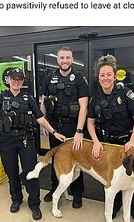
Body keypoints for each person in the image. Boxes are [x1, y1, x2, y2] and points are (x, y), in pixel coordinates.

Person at [0, 67, 65, 220]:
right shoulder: (1, 98)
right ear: (8, 80)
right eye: (13, 79)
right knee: (12, 173)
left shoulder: (28, 98)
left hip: (25, 140)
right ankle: (16, 199)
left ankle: (34, 204)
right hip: (6, 141)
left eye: (19, 79)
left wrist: (54, 132)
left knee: (31, 173)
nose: (16, 81)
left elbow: (40, 119)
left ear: (22, 81)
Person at [87, 54, 134, 222]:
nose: (105, 78)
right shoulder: (96, 98)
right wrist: (96, 142)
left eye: (108, 74)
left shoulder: (126, 93)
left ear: (114, 76)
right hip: (109, 145)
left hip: (128, 143)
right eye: (102, 75)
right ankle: (115, 207)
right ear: (98, 78)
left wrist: (133, 141)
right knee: (114, 179)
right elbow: (90, 123)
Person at [40, 46, 89, 208]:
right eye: (62, 58)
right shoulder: (49, 78)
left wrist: (79, 132)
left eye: (67, 57)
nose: (65, 61)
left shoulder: (79, 79)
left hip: (73, 128)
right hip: (55, 126)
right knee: (56, 159)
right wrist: (44, 123)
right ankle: (55, 188)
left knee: (77, 159)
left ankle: (77, 193)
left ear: (72, 59)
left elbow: (84, 107)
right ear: (57, 59)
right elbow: (44, 102)